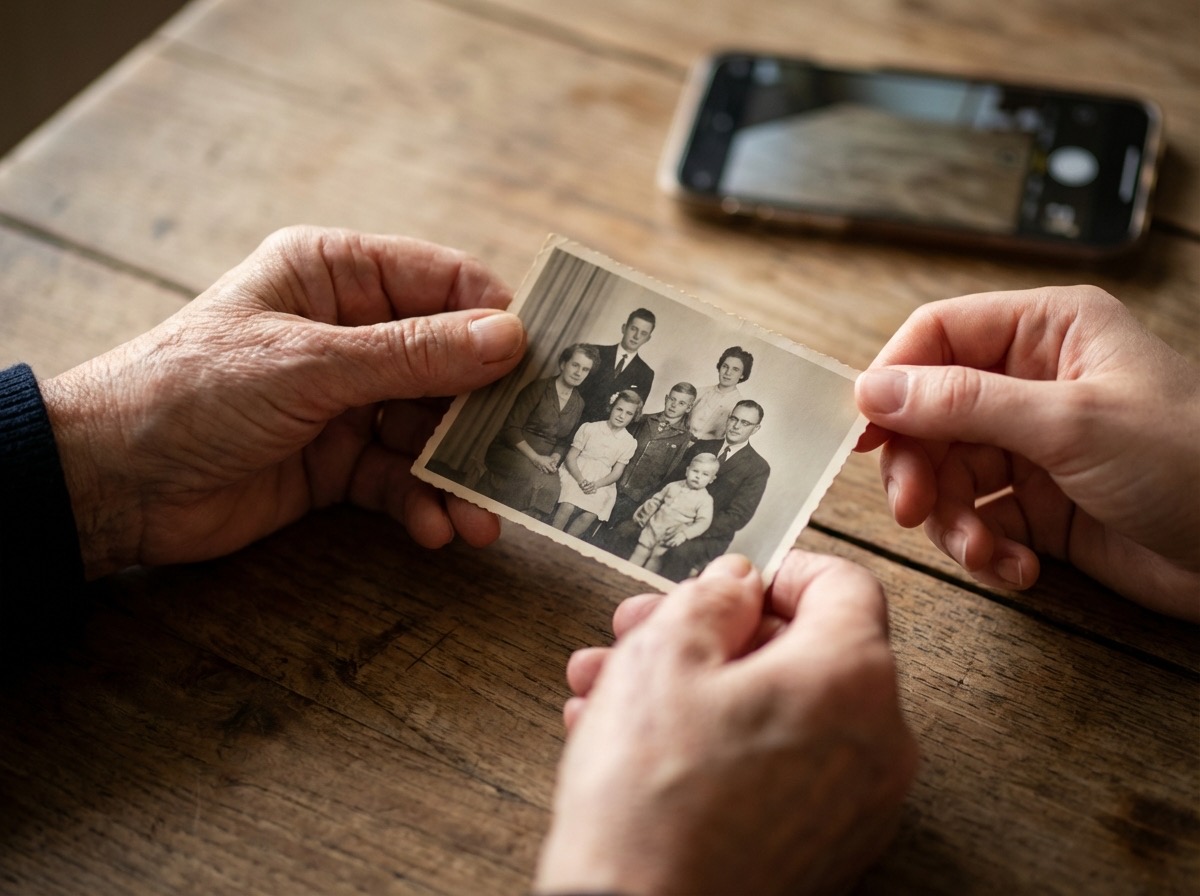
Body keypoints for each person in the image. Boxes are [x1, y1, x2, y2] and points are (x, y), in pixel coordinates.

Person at [3, 225, 1195, 896]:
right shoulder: (614, 400)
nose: (722, 412)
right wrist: (660, 868)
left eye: (735, 409)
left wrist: (91, 472)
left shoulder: (736, 465)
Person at [477, 343, 600, 520]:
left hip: (545, 460)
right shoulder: (538, 388)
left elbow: (563, 441)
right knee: (531, 478)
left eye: (585, 369)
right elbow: (511, 428)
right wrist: (536, 458)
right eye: (575, 365)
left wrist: (555, 458)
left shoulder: (578, 403)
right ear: (563, 364)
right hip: (510, 451)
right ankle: (497, 520)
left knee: (553, 487)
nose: (578, 372)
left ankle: (519, 526)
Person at [656, 399, 772, 582]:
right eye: (734, 419)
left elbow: (738, 517)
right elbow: (672, 481)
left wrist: (690, 527)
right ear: (728, 419)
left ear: (755, 429)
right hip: (672, 515)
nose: (736, 426)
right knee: (628, 531)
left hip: (709, 535)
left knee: (678, 553)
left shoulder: (758, 467)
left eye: (745, 423)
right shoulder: (703, 446)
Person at [603, 381, 697, 530]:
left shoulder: (684, 438)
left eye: (681, 403)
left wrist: (648, 499)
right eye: (672, 399)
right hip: (613, 484)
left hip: (637, 497)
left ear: (689, 408)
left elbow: (669, 474)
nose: (674, 405)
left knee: (612, 534)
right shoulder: (644, 420)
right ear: (666, 398)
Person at [551, 390, 642, 537]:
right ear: (611, 407)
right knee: (567, 506)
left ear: (634, 417)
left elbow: (616, 473)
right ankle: (550, 536)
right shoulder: (590, 428)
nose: (622, 416)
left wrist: (597, 485)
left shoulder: (629, 442)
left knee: (590, 515)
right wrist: (581, 480)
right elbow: (571, 457)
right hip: (576, 471)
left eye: (628, 413)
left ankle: (564, 542)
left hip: (602, 481)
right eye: (619, 409)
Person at [627, 452, 718, 573]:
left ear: (712, 479)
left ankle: (643, 581)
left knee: (655, 559)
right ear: (687, 471)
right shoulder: (672, 486)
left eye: (705, 474)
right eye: (695, 471)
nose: (698, 476)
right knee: (640, 551)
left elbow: (703, 522)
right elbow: (656, 501)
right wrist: (644, 514)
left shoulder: (705, 500)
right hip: (654, 526)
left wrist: (684, 534)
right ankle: (626, 574)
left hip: (672, 533)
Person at [575, 309, 656, 425]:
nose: (636, 336)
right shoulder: (595, 352)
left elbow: (633, 412)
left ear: (648, 338)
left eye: (643, 333)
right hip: (573, 421)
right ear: (624, 328)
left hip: (604, 432)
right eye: (633, 329)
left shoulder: (646, 374)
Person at [685, 345, 753, 440]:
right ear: (720, 367)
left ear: (742, 375)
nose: (728, 373)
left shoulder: (739, 406)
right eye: (725, 366)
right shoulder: (699, 392)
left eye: (735, 369)